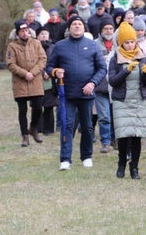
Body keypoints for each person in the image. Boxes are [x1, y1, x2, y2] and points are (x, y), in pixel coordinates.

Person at [47, 16, 107, 170]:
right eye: (74, 24)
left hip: (86, 93)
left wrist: (92, 83)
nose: (77, 26)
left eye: (80, 24)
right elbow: (49, 67)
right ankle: (65, 159)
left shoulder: (93, 45)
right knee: (67, 126)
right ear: (69, 28)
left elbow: (102, 68)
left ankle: (86, 156)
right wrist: (55, 71)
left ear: (83, 27)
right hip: (67, 94)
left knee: (87, 127)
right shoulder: (60, 46)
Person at [108, 22, 146, 179]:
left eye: (132, 41)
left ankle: (135, 167)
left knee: (136, 136)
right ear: (121, 43)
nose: (130, 45)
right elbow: (112, 81)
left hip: (139, 100)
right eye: (127, 42)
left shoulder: (142, 57)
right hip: (122, 101)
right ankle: (121, 165)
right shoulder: (115, 58)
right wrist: (126, 70)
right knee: (124, 136)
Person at [6, 20, 47, 147]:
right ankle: (24, 136)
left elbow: (42, 59)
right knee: (22, 110)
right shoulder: (12, 46)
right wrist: (25, 74)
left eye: (26, 30)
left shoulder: (36, 43)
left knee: (38, 107)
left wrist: (33, 73)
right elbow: (10, 64)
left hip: (36, 80)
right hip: (20, 82)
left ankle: (33, 128)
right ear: (17, 32)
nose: (25, 33)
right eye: (22, 31)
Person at [94, 19, 116, 153]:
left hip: (115, 85)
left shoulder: (118, 44)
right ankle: (105, 142)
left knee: (115, 116)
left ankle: (115, 139)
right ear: (101, 30)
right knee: (104, 116)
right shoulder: (95, 45)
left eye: (110, 28)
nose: (108, 31)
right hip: (100, 85)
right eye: (106, 28)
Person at [36, 28, 59, 135]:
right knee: (37, 104)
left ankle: (49, 129)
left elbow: (56, 62)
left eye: (46, 33)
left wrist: (51, 72)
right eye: (42, 34)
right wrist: (42, 72)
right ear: (37, 36)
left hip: (51, 80)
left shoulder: (54, 48)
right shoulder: (33, 48)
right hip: (37, 79)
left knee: (49, 105)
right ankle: (37, 127)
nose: (44, 36)